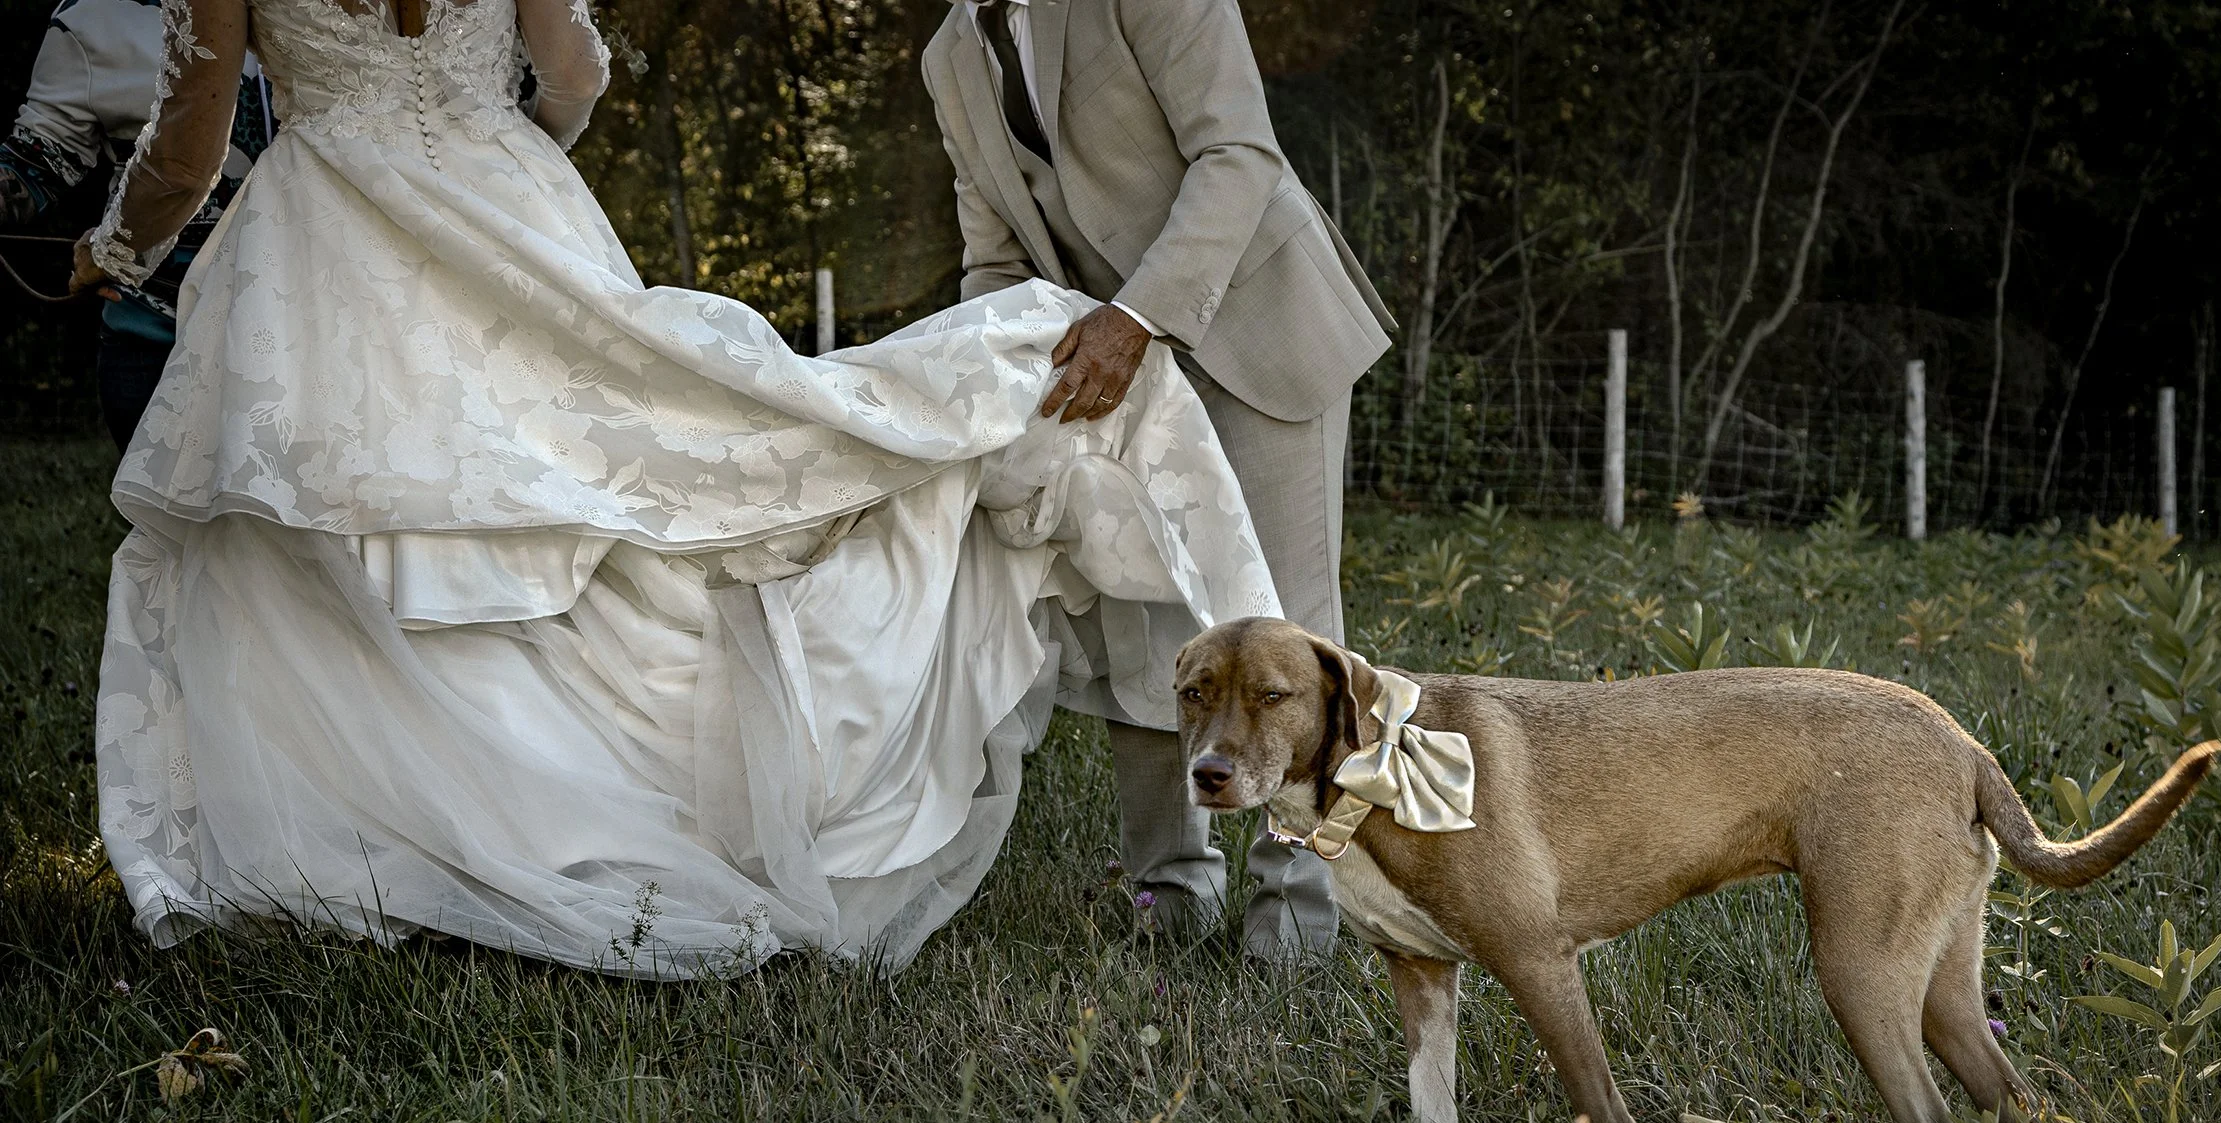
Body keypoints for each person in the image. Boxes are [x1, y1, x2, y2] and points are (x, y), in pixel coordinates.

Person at [71, 0, 1279, 977]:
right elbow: (573, 73)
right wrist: (489, 142)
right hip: (507, 196)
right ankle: (556, 828)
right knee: (591, 515)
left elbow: (190, 139)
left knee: (360, 526)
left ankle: (389, 842)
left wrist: (109, 251)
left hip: (331, 217)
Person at [922, 0, 1394, 966]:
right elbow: (995, 257)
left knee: (1286, 634)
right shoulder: (947, 59)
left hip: (1251, 331)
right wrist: (998, 375)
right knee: (1141, 634)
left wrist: (1137, 318)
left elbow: (1239, 155)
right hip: (1106, 383)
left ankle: (1297, 917)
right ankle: (1166, 897)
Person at [4, 0, 270, 446]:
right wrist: (113, 249)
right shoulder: (88, 16)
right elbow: (38, 160)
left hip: (317, 319)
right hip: (158, 337)